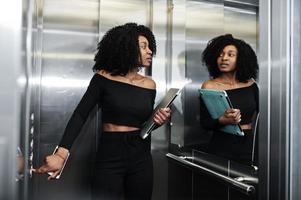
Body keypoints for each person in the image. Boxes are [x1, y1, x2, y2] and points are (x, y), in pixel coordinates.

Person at [33, 22, 171, 200]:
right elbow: (80, 115)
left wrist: (158, 120)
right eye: (144, 46)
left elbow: (145, 124)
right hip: (111, 152)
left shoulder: (149, 84)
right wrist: (61, 153)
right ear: (127, 47)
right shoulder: (102, 78)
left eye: (150, 47)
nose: (150, 51)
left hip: (141, 155)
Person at [199, 34, 259, 165]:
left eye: (230, 55)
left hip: (249, 145)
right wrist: (222, 120)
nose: (224, 58)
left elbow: (264, 116)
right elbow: (204, 123)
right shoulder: (209, 86)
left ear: (241, 59)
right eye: (220, 55)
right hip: (221, 146)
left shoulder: (251, 84)